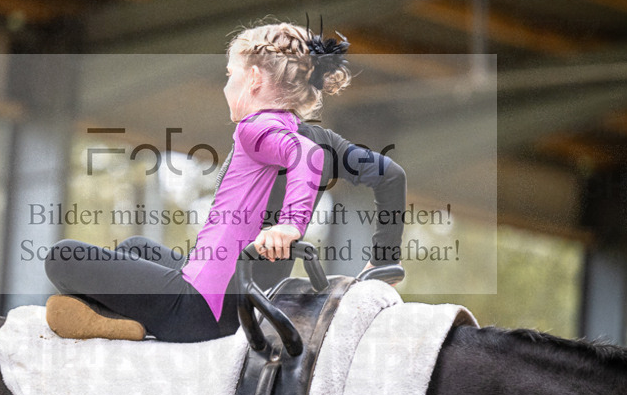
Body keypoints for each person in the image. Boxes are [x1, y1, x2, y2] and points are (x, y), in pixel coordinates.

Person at [44, 21, 404, 343]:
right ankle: (117, 318)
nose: (225, 87)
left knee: (62, 256)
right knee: (138, 247)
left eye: (230, 74)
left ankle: (121, 321)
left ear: (253, 79)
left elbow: (304, 156)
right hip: (248, 306)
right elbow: (391, 175)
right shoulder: (325, 140)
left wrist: (289, 225)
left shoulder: (254, 128)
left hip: (201, 312)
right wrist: (383, 261)